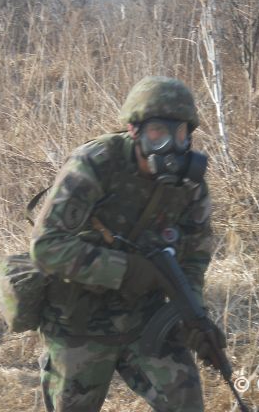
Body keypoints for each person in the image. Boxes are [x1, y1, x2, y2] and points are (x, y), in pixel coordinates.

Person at [30, 76, 226, 412]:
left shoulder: (189, 184)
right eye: (157, 131)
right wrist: (126, 271)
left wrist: (191, 312)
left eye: (179, 133)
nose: (170, 144)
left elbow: (195, 255)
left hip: (143, 318)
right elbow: (46, 247)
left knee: (186, 401)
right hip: (78, 320)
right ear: (135, 130)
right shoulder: (95, 165)